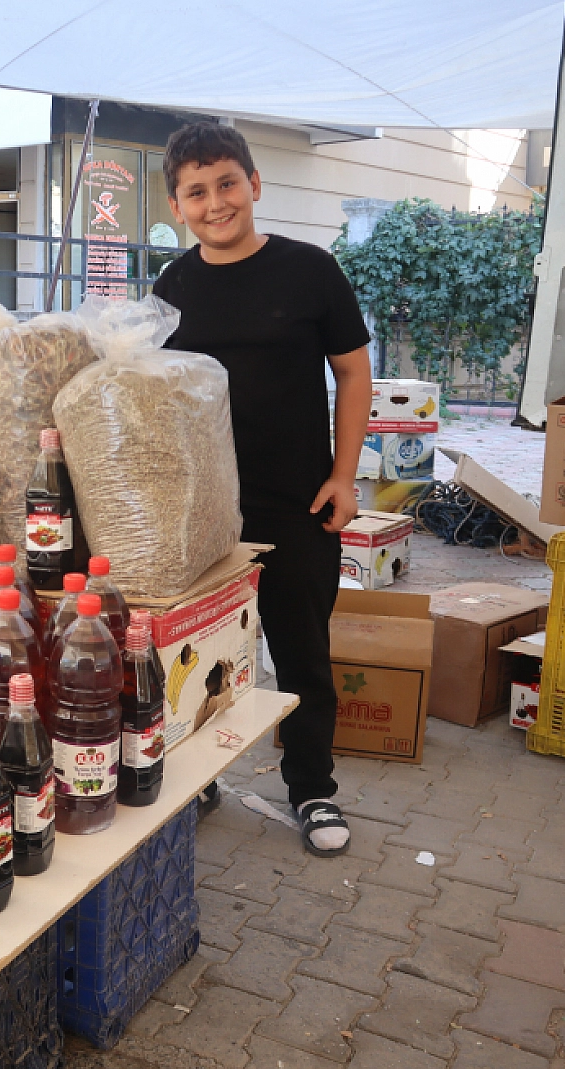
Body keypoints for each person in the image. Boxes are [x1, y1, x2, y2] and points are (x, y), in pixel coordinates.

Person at [152, 122, 372, 857]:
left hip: (299, 503)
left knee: (302, 651)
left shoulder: (311, 270)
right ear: (177, 206)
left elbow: (352, 372)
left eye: (226, 183)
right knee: (199, 652)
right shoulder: (172, 287)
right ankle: (200, 775)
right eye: (196, 191)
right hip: (201, 515)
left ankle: (312, 787)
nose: (216, 202)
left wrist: (345, 475)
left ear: (254, 184)